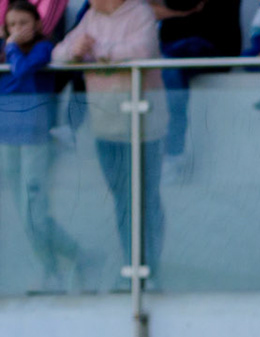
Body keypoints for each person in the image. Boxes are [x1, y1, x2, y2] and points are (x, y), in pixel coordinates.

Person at [53, 0, 168, 276]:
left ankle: (148, 267)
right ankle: (132, 265)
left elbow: (142, 50)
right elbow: (59, 53)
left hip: (144, 128)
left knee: (145, 199)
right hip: (106, 127)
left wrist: (98, 51)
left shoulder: (140, 13)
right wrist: (74, 50)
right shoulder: (90, 18)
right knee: (123, 200)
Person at [1, 2, 81, 291]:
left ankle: (68, 259)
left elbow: (22, 70)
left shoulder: (43, 48)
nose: (18, 29)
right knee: (24, 213)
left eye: (23, 23)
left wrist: (11, 47)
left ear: (37, 24)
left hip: (35, 137)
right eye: (12, 24)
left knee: (34, 210)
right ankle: (60, 264)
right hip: (8, 137)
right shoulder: (6, 50)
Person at [153, 0, 242, 177]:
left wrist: (174, 13)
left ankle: (174, 154)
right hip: (169, 51)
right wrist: (177, 14)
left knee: (169, 69)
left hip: (209, 46)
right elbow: (144, 9)